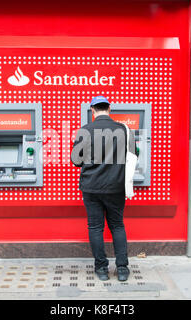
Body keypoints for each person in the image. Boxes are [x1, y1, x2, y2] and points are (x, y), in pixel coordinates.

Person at [71, 96, 137, 281]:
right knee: (117, 225)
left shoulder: (84, 131)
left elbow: (75, 160)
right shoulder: (125, 130)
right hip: (116, 187)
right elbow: (134, 155)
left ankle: (101, 269)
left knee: (95, 227)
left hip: (91, 187)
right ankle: (122, 269)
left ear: (92, 110)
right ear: (109, 108)